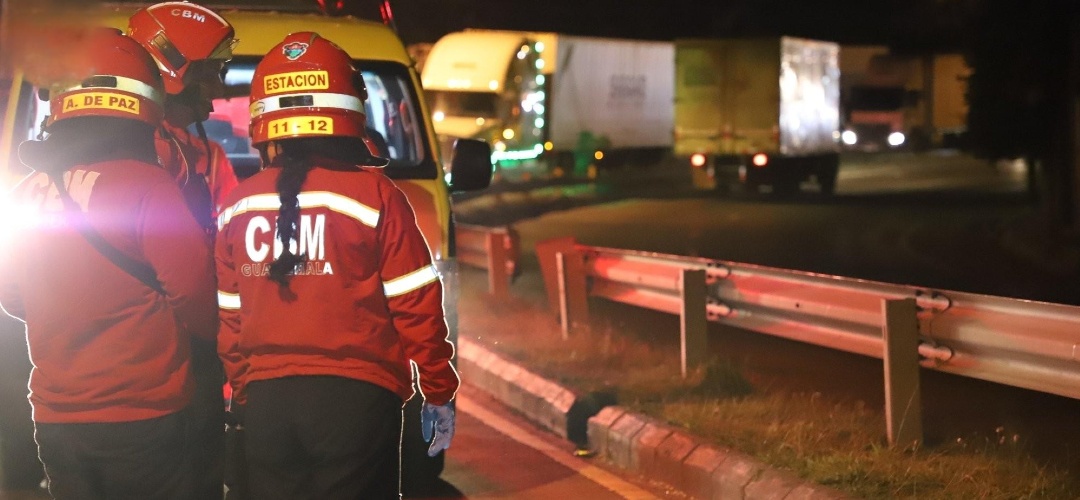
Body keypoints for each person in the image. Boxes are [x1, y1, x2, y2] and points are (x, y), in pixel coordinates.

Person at [215, 32, 458, 499]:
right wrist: (439, 390)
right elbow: (417, 309)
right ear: (349, 114)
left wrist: (247, 396)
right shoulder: (378, 196)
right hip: (358, 406)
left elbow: (231, 320)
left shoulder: (236, 205)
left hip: (268, 407)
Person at [0, 27, 217, 499]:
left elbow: (12, 294)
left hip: (57, 417)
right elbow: (197, 297)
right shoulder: (149, 186)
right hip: (145, 415)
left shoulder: (26, 192)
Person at [127, 3, 239, 497]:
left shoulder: (203, 156)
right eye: (211, 74)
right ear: (175, 70)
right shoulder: (149, 154)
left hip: (183, 358)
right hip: (166, 360)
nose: (217, 92)